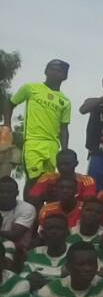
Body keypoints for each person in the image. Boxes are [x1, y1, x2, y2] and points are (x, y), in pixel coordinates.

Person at [4, 59, 72, 195]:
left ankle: (46, 208)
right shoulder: (30, 88)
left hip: (52, 145)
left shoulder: (65, 101)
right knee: (34, 180)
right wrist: (7, 126)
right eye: (51, 68)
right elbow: (10, 104)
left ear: (64, 76)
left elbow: (64, 128)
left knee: (50, 183)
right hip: (33, 142)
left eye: (59, 70)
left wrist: (64, 151)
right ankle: (30, 208)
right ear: (46, 71)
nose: (54, 72)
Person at [28, 149, 96, 207]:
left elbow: (89, 204)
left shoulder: (87, 181)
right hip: (51, 214)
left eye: (67, 164)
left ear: (76, 163)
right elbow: (32, 199)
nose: (62, 167)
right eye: (60, 164)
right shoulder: (47, 178)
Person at [0, 177, 37, 249]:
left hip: (18, 251)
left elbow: (15, 235)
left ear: (17, 193)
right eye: (1, 192)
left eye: (9, 192)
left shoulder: (27, 209)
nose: (5, 195)